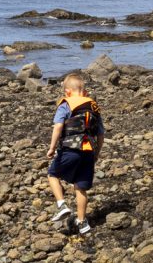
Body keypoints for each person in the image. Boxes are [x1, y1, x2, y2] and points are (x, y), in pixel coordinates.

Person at [46, 73, 104, 234]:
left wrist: (51, 148)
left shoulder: (65, 105)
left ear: (67, 92)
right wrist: (97, 153)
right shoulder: (94, 109)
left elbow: (58, 127)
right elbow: (100, 135)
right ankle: (82, 222)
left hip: (70, 149)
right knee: (80, 187)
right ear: (85, 93)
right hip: (88, 152)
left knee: (53, 174)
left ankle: (62, 205)